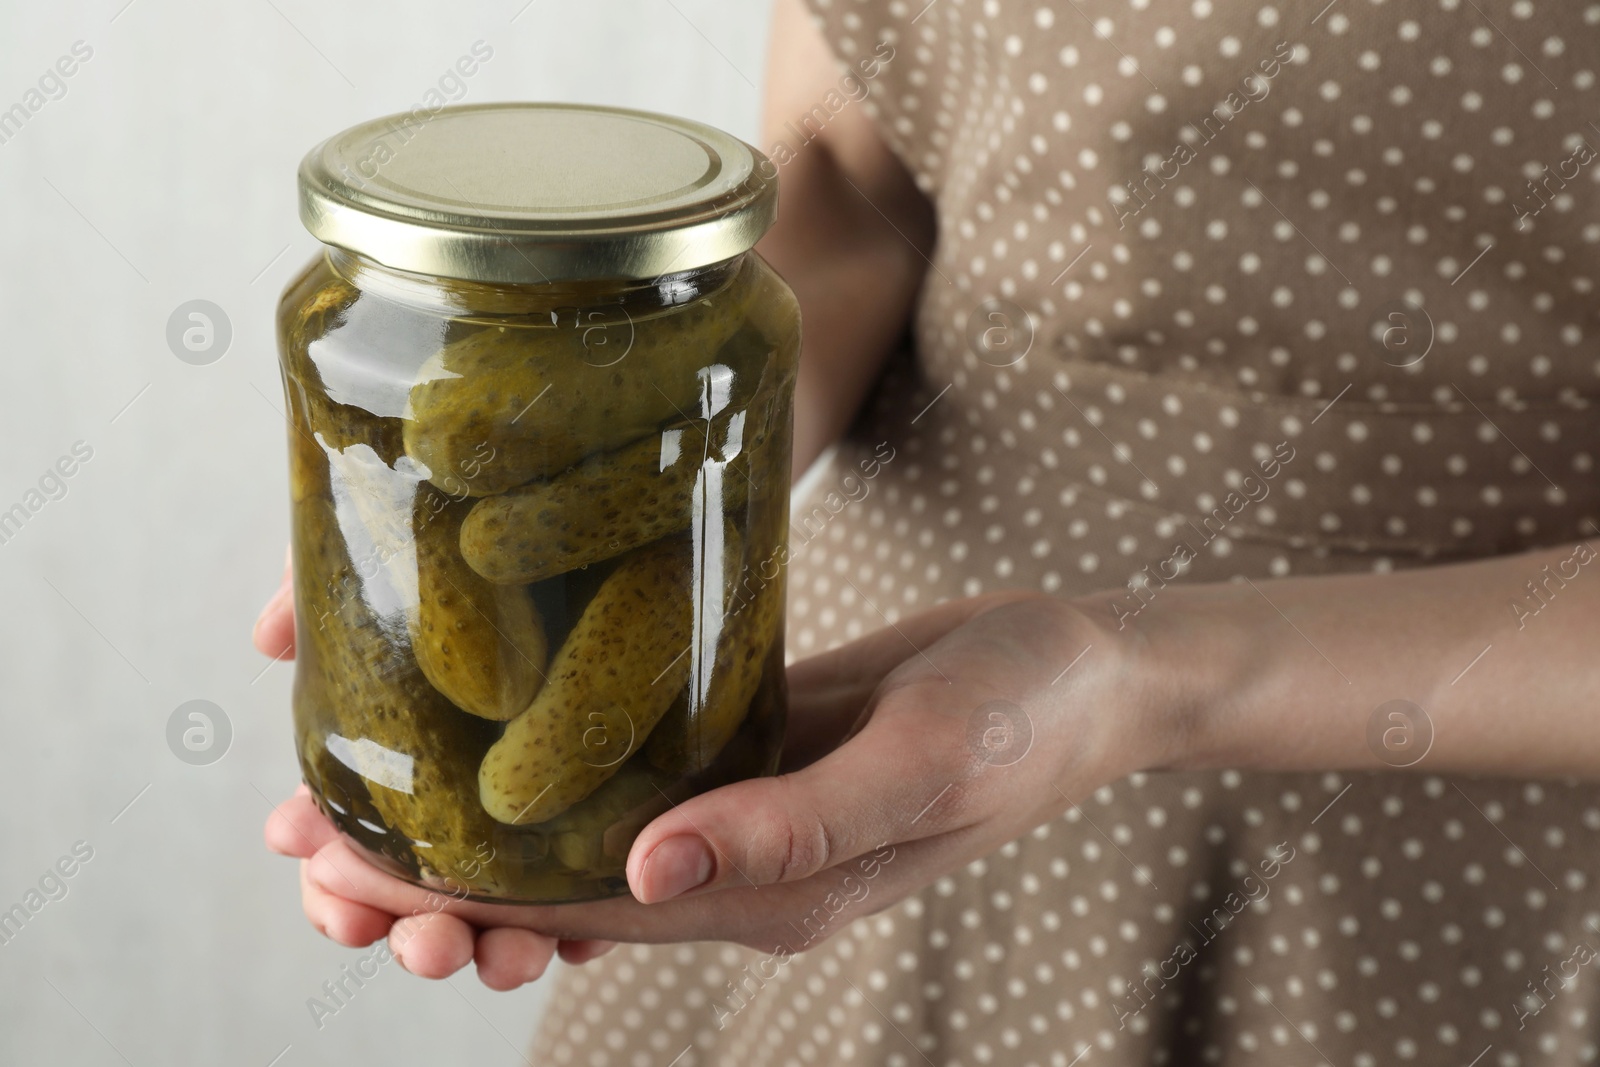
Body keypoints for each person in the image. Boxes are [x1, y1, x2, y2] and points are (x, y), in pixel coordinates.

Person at [255, 0, 1600, 1061]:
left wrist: (1138, 674)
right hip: (871, 723)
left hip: (1453, 837)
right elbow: (845, 186)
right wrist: (647, 474)